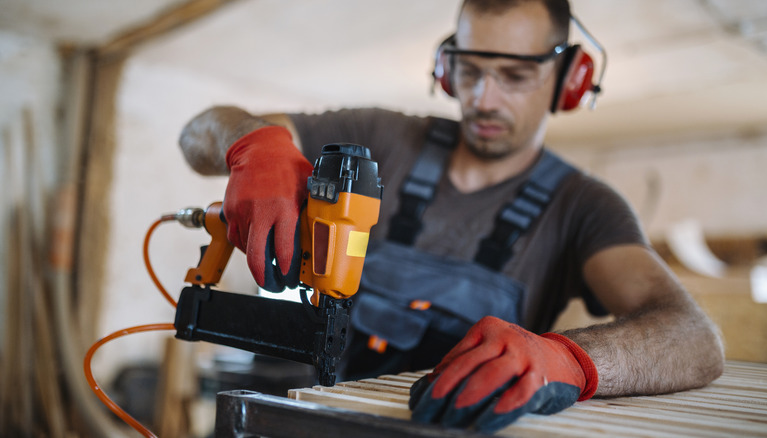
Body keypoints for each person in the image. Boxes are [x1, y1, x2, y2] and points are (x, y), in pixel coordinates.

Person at [178, 0, 724, 433]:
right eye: (470, 69)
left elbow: (693, 337)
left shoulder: (585, 208)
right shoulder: (381, 138)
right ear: (446, 68)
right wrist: (252, 143)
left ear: (570, 80)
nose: (484, 98)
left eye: (514, 75)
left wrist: (570, 361)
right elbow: (197, 132)